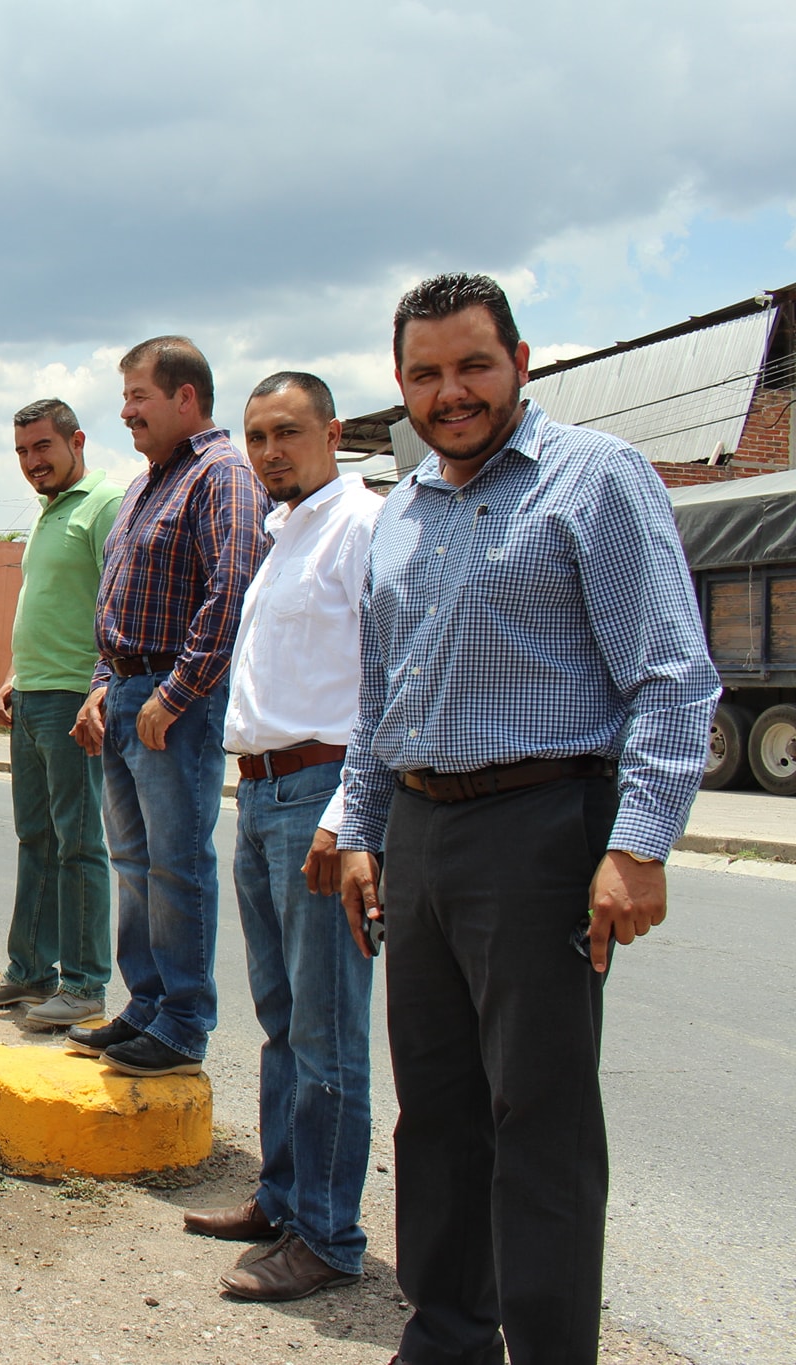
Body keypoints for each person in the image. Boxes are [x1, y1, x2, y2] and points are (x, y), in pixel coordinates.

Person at [335, 273, 718, 1364]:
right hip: (418, 836)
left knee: (536, 1121)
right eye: (424, 373)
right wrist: (360, 830)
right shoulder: (400, 509)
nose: (448, 392)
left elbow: (670, 676)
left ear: (519, 362)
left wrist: (635, 845)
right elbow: (380, 694)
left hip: (543, 830)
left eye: (471, 366)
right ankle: (444, 1336)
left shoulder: (594, 482)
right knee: (436, 1113)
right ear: (399, 383)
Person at [177, 372, 384, 1302]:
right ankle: (283, 1196)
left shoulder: (364, 527)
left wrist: (349, 816)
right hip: (259, 794)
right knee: (280, 1020)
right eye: (257, 436)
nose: (269, 453)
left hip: (321, 795)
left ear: (333, 432)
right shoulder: (279, 532)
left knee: (329, 1027)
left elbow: (388, 683)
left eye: (289, 433)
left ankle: (330, 1238)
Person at [68, 336, 268, 1078]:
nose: (125, 413)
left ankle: (183, 1023)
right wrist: (100, 684)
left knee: (177, 866)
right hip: (124, 694)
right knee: (134, 863)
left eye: (138, 397)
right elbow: (116, 599)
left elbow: (232, 590)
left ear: (186, 398)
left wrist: (175, 693)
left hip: (171, 702)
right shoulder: (148, 483)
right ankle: (145, 1004)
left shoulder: (222, 477)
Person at [0, 398, 123, 1030]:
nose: (32, 463)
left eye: (42, 449)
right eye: (23, 453)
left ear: (76, 440)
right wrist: (13, 676)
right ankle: (29, 971)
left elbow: (120, 603)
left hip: (73, 700)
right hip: (32, 696)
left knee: (79, 844)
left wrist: (100, 689)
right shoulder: (51, 512)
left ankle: (84, 985)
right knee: (37, 839)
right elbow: (50, 604)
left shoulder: (105, 503)